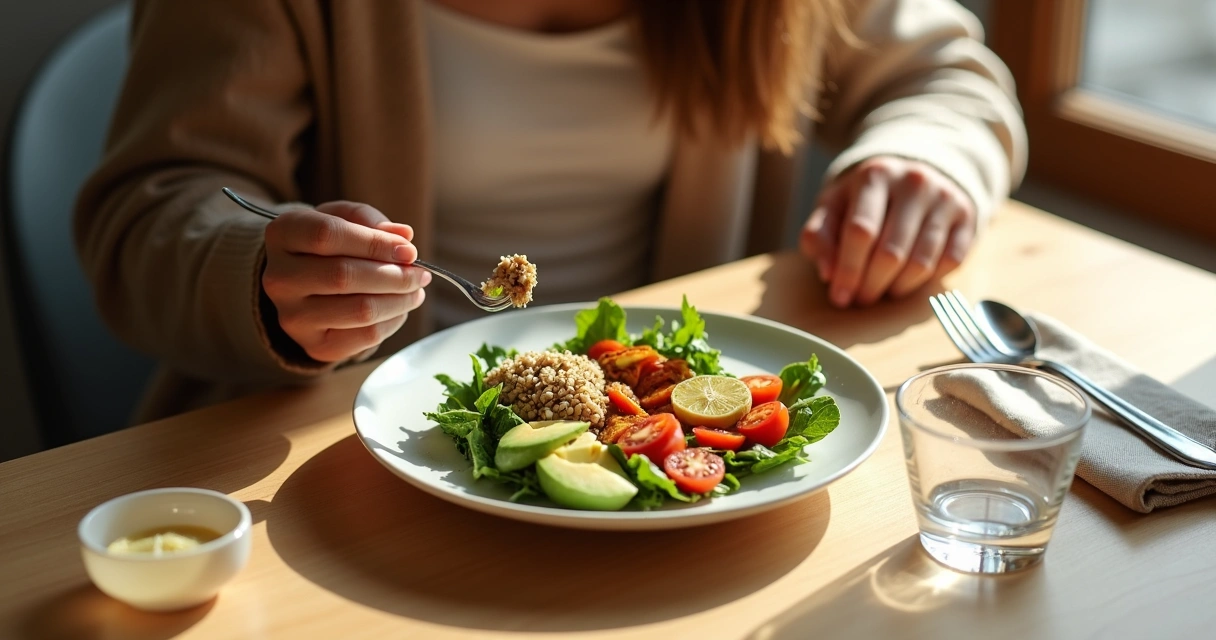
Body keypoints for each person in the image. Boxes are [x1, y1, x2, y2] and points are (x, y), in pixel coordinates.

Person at [76, 0, 1025, 423]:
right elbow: (150, 208)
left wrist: (924, 158)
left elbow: (947, 76)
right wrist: (262, 272)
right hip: (332, 446)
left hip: (655, 436)